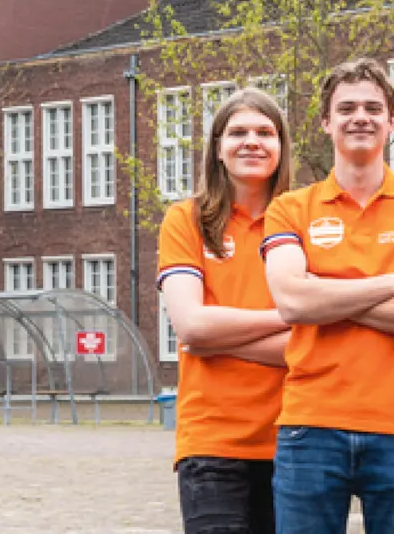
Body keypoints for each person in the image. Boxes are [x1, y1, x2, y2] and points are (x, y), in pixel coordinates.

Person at [261, 58, 394, 534]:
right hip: (311, 425)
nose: (361, 118)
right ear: (326, 121)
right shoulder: (290, 209)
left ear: (392, 122)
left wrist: (327, 295)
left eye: (373, 108)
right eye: (347, 108)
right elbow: (293, 303)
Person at [157, 87, 293, 534]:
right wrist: (289, 315)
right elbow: (192, 326)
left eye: (265, 133)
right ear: (217, 148)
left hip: (294, 440)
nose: (251, 142)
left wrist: (220, 338)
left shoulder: (303, 223)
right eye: (238, 133)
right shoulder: (187, 220)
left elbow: (315, 342)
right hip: (211, 443)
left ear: (281, 147)